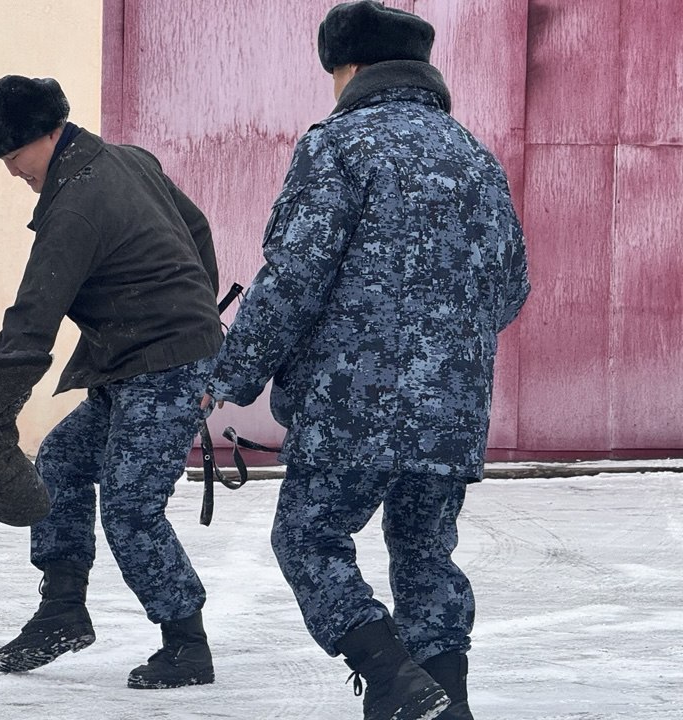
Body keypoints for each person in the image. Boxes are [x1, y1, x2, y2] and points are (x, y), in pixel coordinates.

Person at [202, 3, 530, 719]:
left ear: (348, 67)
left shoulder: (339, 145)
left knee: (308, 536)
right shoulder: (474, 156)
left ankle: (393, 681)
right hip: (451, 408)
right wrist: (448, 350)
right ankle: (447, 703)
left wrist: (230, 375)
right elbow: (511, 286)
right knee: (425, 554)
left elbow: (293, 277)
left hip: (355, 402)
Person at [0, 74, 224, 689]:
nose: (11, 170)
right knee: (63, 461)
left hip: (166, 367)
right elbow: (199, 229)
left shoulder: (75, 205)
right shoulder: (128, 159)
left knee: (130, 506)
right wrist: (198, 315)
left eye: (14, 154)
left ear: (49, 134)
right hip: (136, 363)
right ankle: (62, 611)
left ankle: (187, 645)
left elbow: (31, 323)